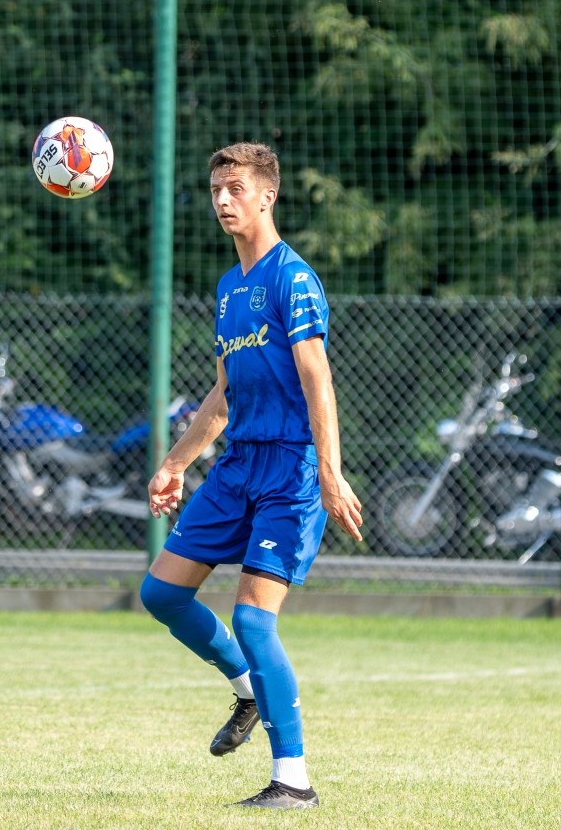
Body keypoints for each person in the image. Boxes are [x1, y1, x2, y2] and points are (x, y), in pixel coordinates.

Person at [140, 141, 363, 810]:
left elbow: (317, 378)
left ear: (267, 195)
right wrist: (174, 463)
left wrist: (330, 474)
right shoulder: (228, 288)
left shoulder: (291, 278)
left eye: (235, 188)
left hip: (290, 469)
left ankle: (292, 781)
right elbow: (223, 393)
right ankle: (245, 691)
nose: (222, 200)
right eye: (216, 189)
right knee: (161, 594)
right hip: (238, 465)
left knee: (253, 619)